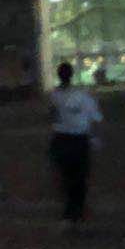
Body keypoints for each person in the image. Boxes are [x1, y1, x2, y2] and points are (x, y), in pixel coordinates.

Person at [48, 61, 102, 223]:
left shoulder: (54, 95)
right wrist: (94, 138)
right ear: (72, 75)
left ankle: (69, 209)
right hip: (78, 140)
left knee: (65, 176)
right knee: (80, 176)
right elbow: (96, 118)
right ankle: (78, 209)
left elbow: (52, 116)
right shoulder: (82, 95)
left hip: (60, 139)